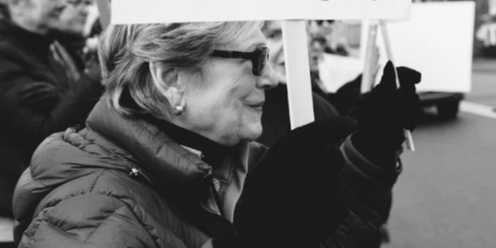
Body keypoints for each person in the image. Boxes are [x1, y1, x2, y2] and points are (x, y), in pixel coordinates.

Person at [13, 21, 420, 247]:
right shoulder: (88, 213)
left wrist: (367, 158)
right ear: (171, 78)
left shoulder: (229, 163)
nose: (273, 76)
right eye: (256, 59)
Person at [0, 0, 103, 218]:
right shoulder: (6, 53)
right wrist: (93, 76)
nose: (62, 3)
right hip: (21, 200)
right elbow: (43, 133)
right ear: (16, 1)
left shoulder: (49, 48)